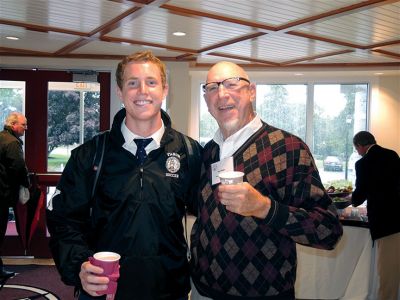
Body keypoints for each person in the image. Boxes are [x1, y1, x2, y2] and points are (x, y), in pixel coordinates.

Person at [46, 51, 202, 300]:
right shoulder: (90, 155)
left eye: (151, 82)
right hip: (103, 291)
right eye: (132, 83)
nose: (142, 91)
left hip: (168, 290)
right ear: (120, 91)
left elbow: (210, 216)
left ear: (164, 90)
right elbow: (64, 221)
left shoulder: (190, 152)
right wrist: (78, 266)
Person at [190, 61, 343, 300]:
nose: (221, 93)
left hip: (265, 293)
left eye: (232, 84)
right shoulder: (208, 152)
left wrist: (264, 208)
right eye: (211, 87)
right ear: (206, 100)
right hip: (204, 289)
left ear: (251, 92)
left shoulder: (287, 148)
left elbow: (328, 230)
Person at [351, 131, 400, 300]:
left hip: (385, 222)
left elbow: (359, 196)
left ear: (360, 146)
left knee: (387, 271)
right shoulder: (392, 154)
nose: (357, 152)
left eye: (356, 148)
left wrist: (348, 198)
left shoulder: (363, 164)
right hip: (397, 216)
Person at [0, 112, 29, 279]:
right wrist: (26, 184)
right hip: (2, 195)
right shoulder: (12, 143)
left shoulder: (2, 137)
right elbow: (18, 168)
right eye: (23, 125)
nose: (26, 128)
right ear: (13, 125)